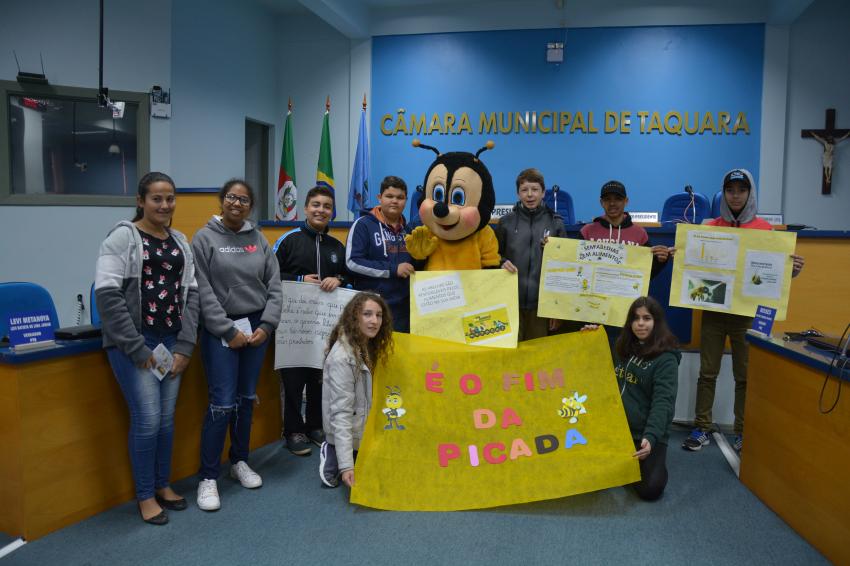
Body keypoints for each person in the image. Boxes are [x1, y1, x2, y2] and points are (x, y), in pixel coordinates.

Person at [95, 172, 199, 525]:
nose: (164, 205)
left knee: (166, 421)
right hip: (135, 344)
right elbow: (107, 297)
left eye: (170, 198)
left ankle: (162, 485)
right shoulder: (123, 237)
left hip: (171, 341)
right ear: (141, 201)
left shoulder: (181, 241)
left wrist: (185, 344)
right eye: (156, 198)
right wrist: (138, 349)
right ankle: (144, 496)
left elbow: (192, 295)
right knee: (148, 420)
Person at [683, 169, 805, 453]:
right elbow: (695, 270)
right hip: (714, 312)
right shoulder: (709, 227)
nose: (735, 195)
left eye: (741, 189)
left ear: (750, 193)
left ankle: (743, 431)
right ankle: (702, 427)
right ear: (723, 194)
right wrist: (683, 258)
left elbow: (772, 277)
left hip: (747, 315)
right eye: (730, 190)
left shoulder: (766, 231)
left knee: (745, 375)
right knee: (708, 372)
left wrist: (792, 271)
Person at [191, 179, 282, 511]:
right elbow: (201, 291)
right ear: (221, 200)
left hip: (256, 328)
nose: (236, 203)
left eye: (243, 199)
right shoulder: (203, 239)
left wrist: (267, 326)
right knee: (222, 404)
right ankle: (208, 477)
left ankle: (239, 461)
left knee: (245, 399)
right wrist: (227, 330)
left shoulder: (258, 239)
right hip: (221, 331)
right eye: (231, 197)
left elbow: (274, 285)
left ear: (251, 205)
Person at [275, 186, 349, 456]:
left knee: (321, 377)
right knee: (293, 378)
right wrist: (298, 280)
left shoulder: (337, 247)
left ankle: (315, 426)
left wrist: (338, 279)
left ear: (332, 212)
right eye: (316, 205)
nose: (321, 210)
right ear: (305, 208)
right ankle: (293, 430)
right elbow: (268, 275)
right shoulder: (288, 240)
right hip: (292, 324)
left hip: (326, 326)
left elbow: (349, 279)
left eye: (327, 206)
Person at [583, 296, 680, 501]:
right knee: (584, 472)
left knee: (651, 489)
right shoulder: (623, 346)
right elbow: (598, 355)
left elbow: (663, 402)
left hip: (645, 433)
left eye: (647, 318)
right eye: (636, 318)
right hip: (617, 429)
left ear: (657, 322)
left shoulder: (666, 359)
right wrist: (592, 336)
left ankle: (631, 463)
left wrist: (651, 437)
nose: (641, 323)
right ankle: (622, 464)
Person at [575, 180, 673, 343]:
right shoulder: (587, 231)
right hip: (591, 309)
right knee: (593, 357)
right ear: (601, 202)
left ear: (626, 201)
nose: (612, 203)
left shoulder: (639, 233)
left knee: (622, 356)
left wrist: (661, 261)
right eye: (607, 199)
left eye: (618, 199)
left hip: (626, 311)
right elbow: (573, 267)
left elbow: (647, 274)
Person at [318, 292, 394, 489]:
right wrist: (346, 467)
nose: (374, 321)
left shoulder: (371, 345)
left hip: (365, 424)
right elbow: (341, 413)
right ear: (355, 317)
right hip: (345, 428)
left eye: (378, 315)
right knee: (336, 477)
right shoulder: (342, 358)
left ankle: (353, 451)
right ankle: (332, 449)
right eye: (367, 314)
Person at [495, 168, 567, 341]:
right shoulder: (506, 223)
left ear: (543, 192)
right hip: (510, 305)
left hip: (541, 307)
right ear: (518, 193)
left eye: (535, 189)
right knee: (511, 356)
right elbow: (493, 257)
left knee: (537, 360)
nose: (530, 195)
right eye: (524, 190)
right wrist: (501, 262)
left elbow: (565, 270)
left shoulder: (555, 223)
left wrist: (556, 310)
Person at [346, 176, 416, 332]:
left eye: (400, 197)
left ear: (405, 200)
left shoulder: (410, 231)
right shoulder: (363, 224)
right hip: (372, 309)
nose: (394, 201)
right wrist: (392, 269)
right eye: (389, 196)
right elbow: (353, 262)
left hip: (403, 311)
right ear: (379, 198)